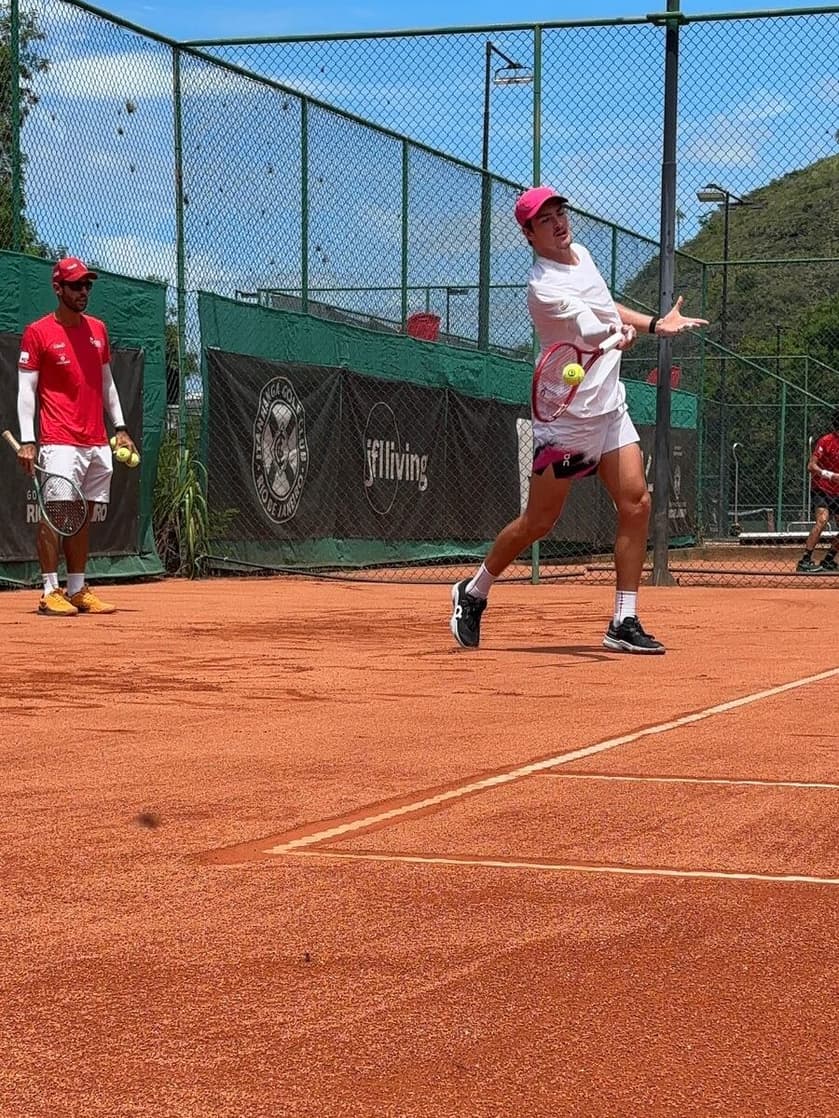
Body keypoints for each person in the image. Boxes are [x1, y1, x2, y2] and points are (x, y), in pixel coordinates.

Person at [449, 186, 708, 654]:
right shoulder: (542, 286)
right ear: (529, 234)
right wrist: (614, 334)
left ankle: (623, 620)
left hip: (609, 408)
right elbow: (590, 326)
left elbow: (606, 310)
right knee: (539, 522)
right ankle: (474, 591)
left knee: (636, 504)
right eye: (545, 220)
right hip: (567, 420)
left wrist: (650, 325)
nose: (558, 222)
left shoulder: (583, 255)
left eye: (560, 212)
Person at [14, 257, 138, 616]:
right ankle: (49, 589)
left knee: (81, 514)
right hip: (58, 439)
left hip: (97, 441)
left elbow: (107, 382)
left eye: (87, 286)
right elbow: (27, 390)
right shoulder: (38, 332)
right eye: (76, 286)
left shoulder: (98, 329)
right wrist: (28, 439)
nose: (83, 292)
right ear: (58, 288)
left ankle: (77, 587)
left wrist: (120, 428)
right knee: (57, 513)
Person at [796, 412, 839, 573]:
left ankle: (828, 560)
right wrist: (830, 475)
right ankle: (805, 560)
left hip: (838, 492)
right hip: (822, 488)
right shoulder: (826, 441)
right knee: (822, 520)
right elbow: (811, 466)